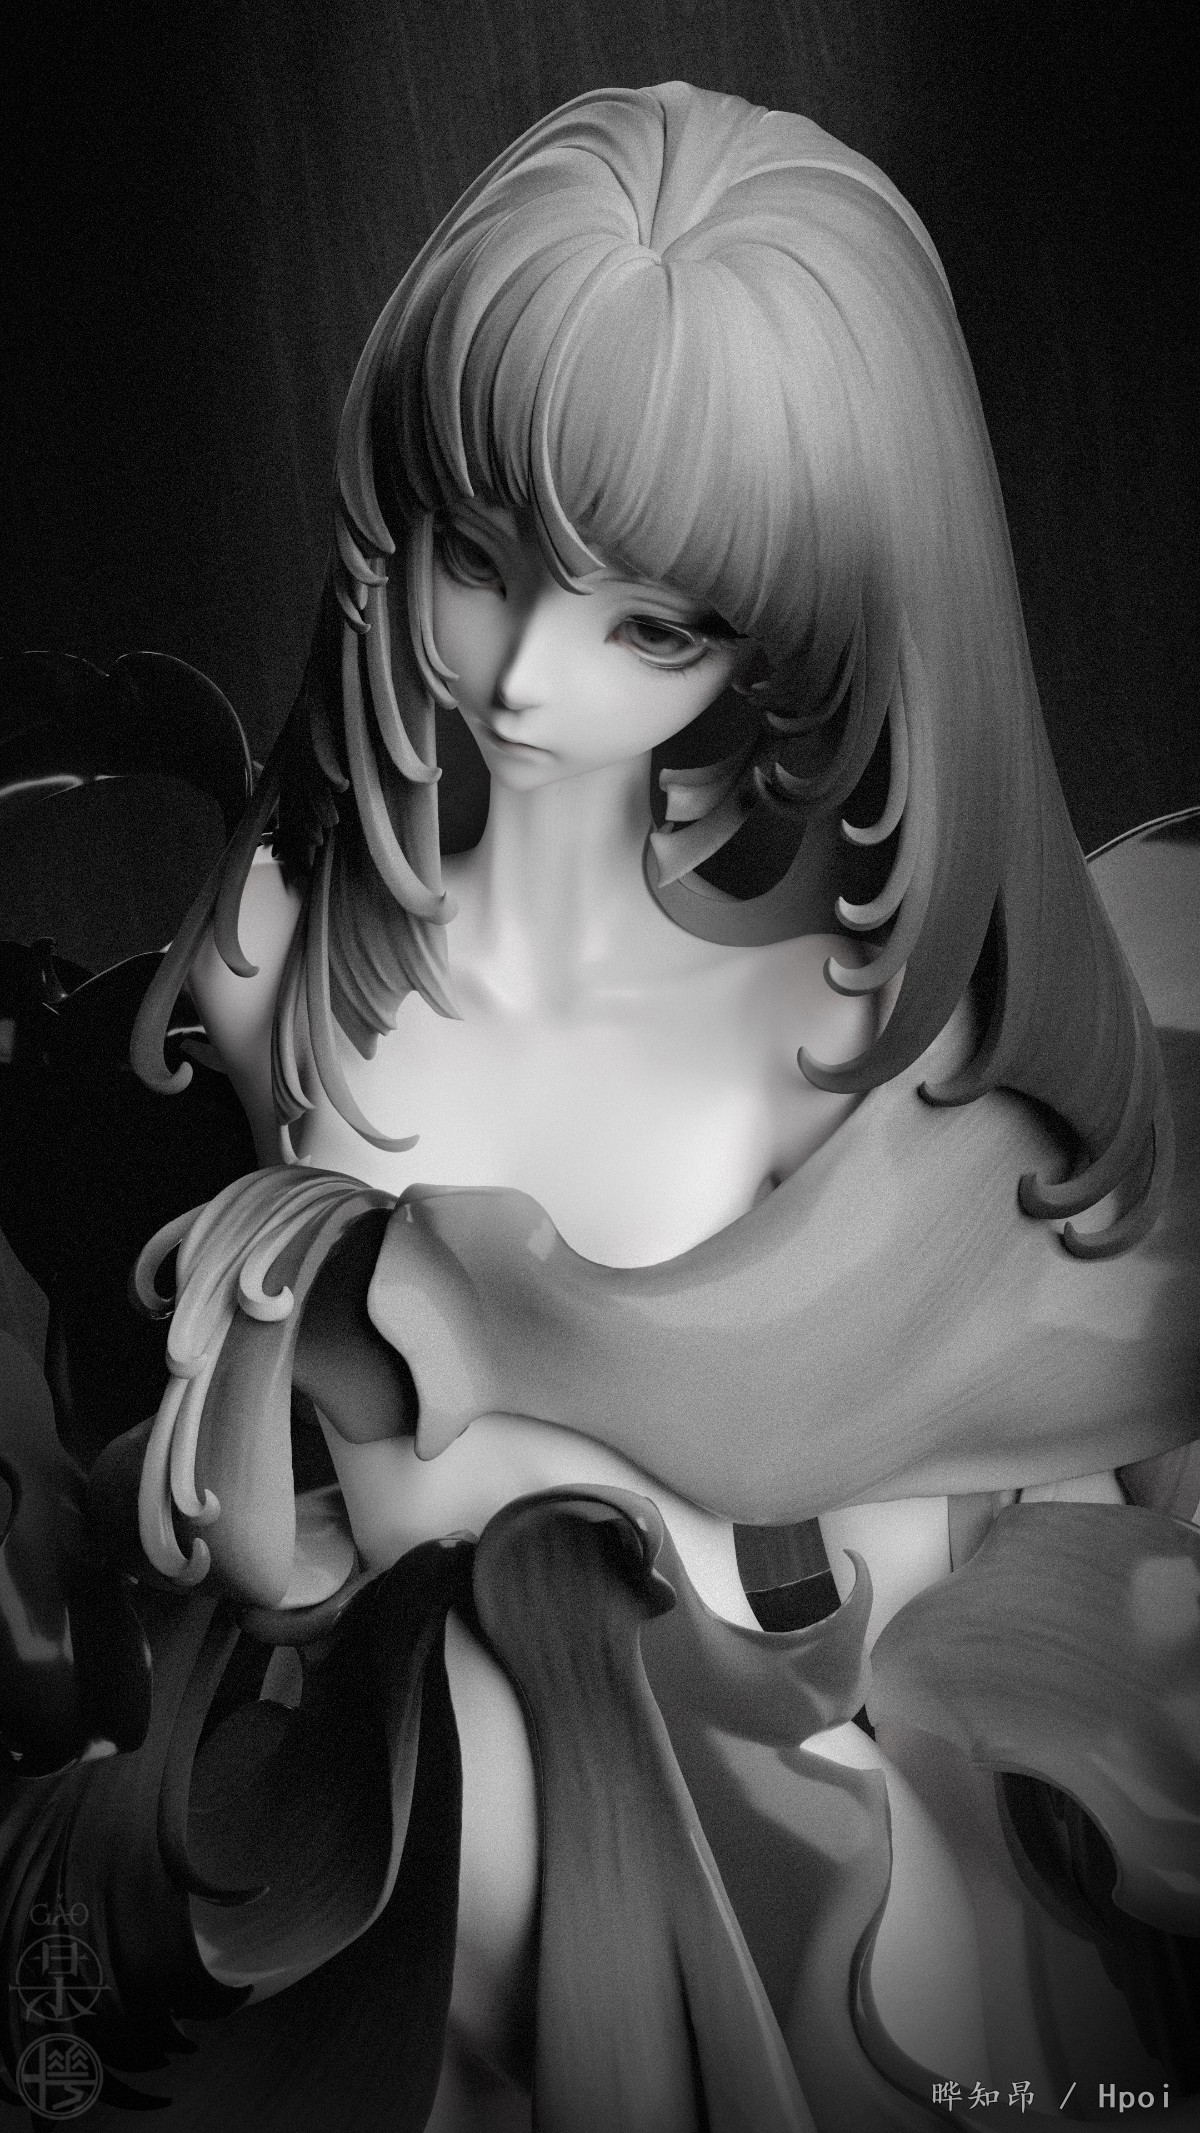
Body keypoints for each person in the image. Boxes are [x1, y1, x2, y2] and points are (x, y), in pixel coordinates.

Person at [13, 80, 1197, 2132]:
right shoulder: (298, 965)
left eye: (653, 620)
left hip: (789, 1869)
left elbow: (970, 1469)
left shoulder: (832, 1026)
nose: (529, 674)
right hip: (398, 1844)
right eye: (481, 560)